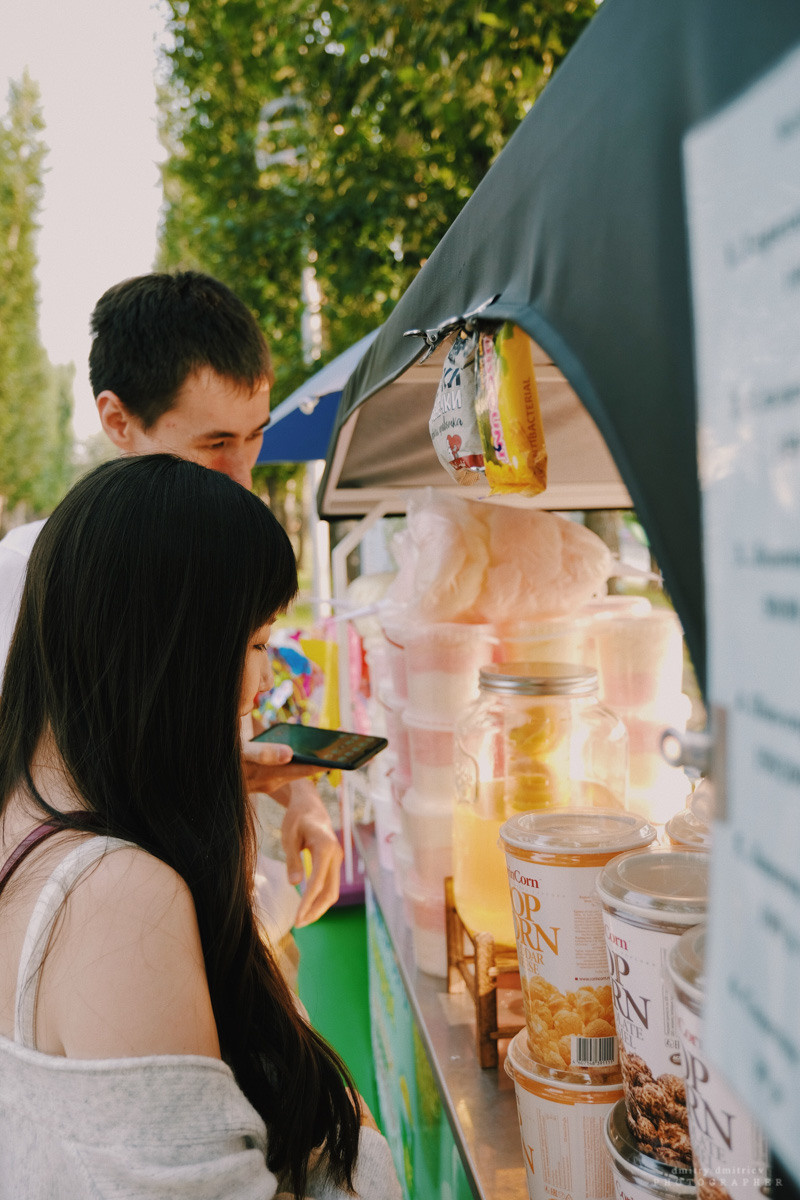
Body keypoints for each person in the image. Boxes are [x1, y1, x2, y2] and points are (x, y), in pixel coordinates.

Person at [0, 454, 401, 1200]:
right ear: (171, 650)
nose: (256, 686)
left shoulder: (29, 818)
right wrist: (356, 1132)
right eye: (253, 644)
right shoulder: (117, 898)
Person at [0, 270, 342, 930]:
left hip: (234, 926)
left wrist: (301, 799)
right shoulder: (22, 581)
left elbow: (252, 708)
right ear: (117, 421)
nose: (243, 478)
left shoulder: (224, 560)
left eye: (255, 437)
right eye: (215, 445)